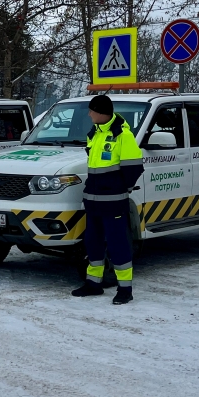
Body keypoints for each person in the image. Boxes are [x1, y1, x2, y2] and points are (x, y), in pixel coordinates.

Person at [71, 94, 144, 305]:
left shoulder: (122, 134)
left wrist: (119, 188)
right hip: (93, 201)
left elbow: (134, 167)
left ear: (101, 112)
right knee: (92, 243)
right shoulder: (94, 133)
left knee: (117, 244)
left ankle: (125, 289)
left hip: (113, 202)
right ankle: (93, 284)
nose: (89, 114)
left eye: (92, 110)